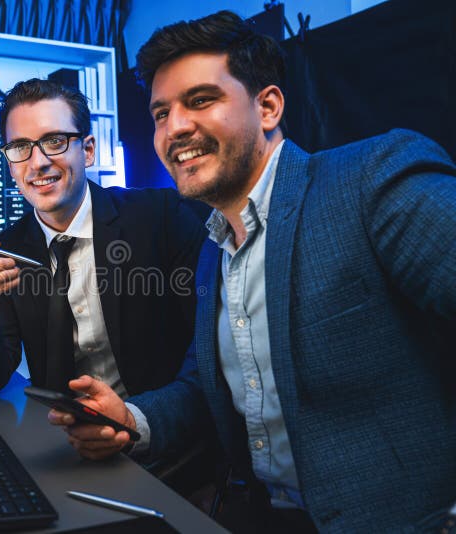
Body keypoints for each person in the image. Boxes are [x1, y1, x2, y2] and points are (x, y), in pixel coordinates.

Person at [47, 10, 456, 532]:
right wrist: (132, 420)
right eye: (159, 113)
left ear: (267, 106)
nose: (176, 128)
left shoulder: (369, 182)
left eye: (200, 100)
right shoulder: (214, 247)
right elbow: (207, 387)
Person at [0, 79, 208, 418]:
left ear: (87, 150)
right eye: (20, 147)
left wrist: (141, 420)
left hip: (160, 438)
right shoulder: (7, 249)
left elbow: (208, 353)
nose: (38, 162)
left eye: (55, 141)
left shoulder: (160, 216)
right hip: (62, 447)